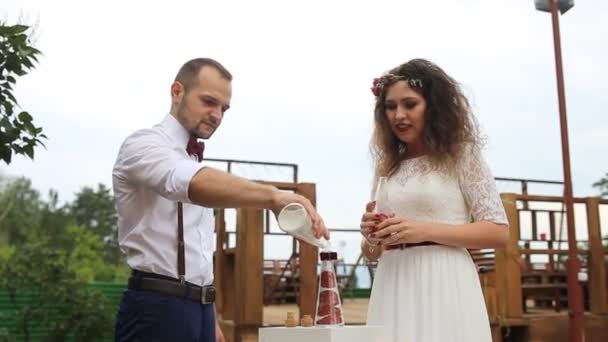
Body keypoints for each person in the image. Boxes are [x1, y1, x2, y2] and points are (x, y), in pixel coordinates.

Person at [112, 58, 329, 342]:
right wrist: (273, 197)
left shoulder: (193, 158)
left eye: (223, 108)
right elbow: (190, 181)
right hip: (157, 307)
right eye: (208, 101)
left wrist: (208, 312)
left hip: (199, 311)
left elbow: (196, 249)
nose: (216, 115)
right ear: (177, 91)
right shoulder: (142, 145)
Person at [359, 58, 509, 342]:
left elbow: (499, 231)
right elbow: (371, 251)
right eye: (390, 106)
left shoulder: (463, 156)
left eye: (410, 104)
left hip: (444, 281)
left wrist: (424, 230)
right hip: (392, 283)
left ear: (433, 106)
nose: (398, 115)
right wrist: (371, 237)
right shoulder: (387, 166)